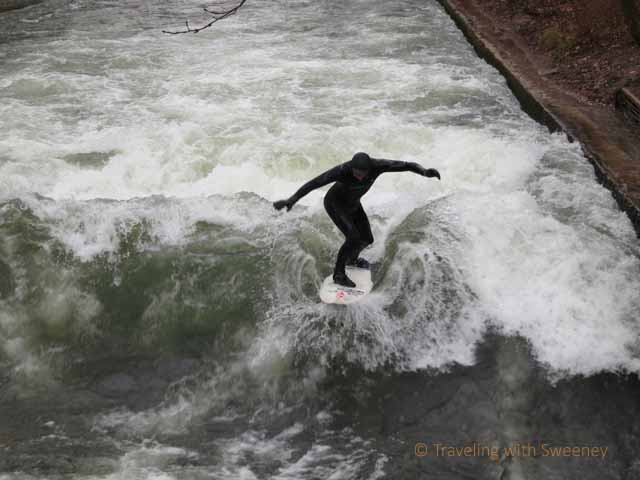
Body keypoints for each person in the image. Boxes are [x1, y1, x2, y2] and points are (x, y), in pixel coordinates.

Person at [273, 152, 441, 287]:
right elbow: (313, 183)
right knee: (353, 237)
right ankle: (339, 275)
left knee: (367, 239)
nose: (359, 177)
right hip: (335, 204)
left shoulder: (378, 166)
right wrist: (292, 200)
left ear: (369, 169)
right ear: (352, 168)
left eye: (363, 174)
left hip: (353, 204)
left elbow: (406, 165)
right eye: (356, 173)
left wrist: (424, 172)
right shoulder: (342, 170)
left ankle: (351, 260)